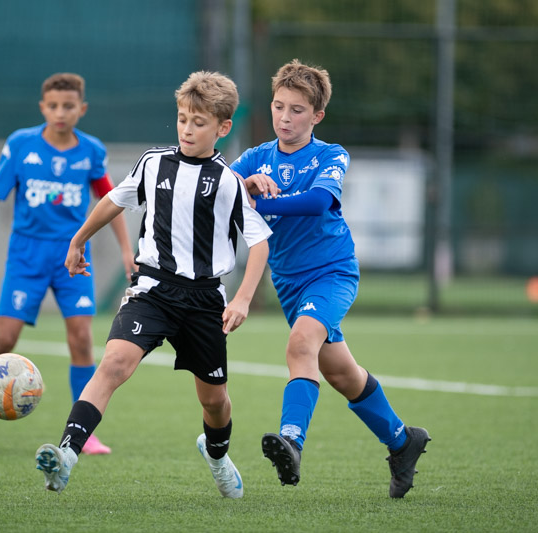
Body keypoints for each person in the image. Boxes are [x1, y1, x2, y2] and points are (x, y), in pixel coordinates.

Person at [34, 71, 272, 498]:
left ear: (222, 128)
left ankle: (217, 456)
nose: (187, 129)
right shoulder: (153, 163)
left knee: (214, 401)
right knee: (114, 363)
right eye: (182, 118)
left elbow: (259, 243)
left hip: (204, 299)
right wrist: (78, 239)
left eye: (198, 122)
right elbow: (114, 199)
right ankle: (66, 456)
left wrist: (242, 299)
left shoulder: (228, 182)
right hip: (153, 289)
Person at [231, 59, 431, 498]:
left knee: (300, 344)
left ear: (317, 115)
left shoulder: (330, 154)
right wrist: (243, 185)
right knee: (342, 374)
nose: (285, 117)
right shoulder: (255, 158)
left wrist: (257, 203)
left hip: (332, 273)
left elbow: (319, 201)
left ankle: (291, 441)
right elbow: (220, 188)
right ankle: (403, 441)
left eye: (297, 110)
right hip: (289, 284)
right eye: (279, 106)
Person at [0, 73, 135, 454]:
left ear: (82, 109)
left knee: (82, 339)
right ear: (42, 107)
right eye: (53, 106)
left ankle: (84, 431)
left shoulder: (92, 150)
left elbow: (111, 201)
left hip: (72, 257)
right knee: (4, 339)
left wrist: (127, 251)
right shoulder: (21, 145)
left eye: (68, 106)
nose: (60, 113)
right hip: (26, 257)